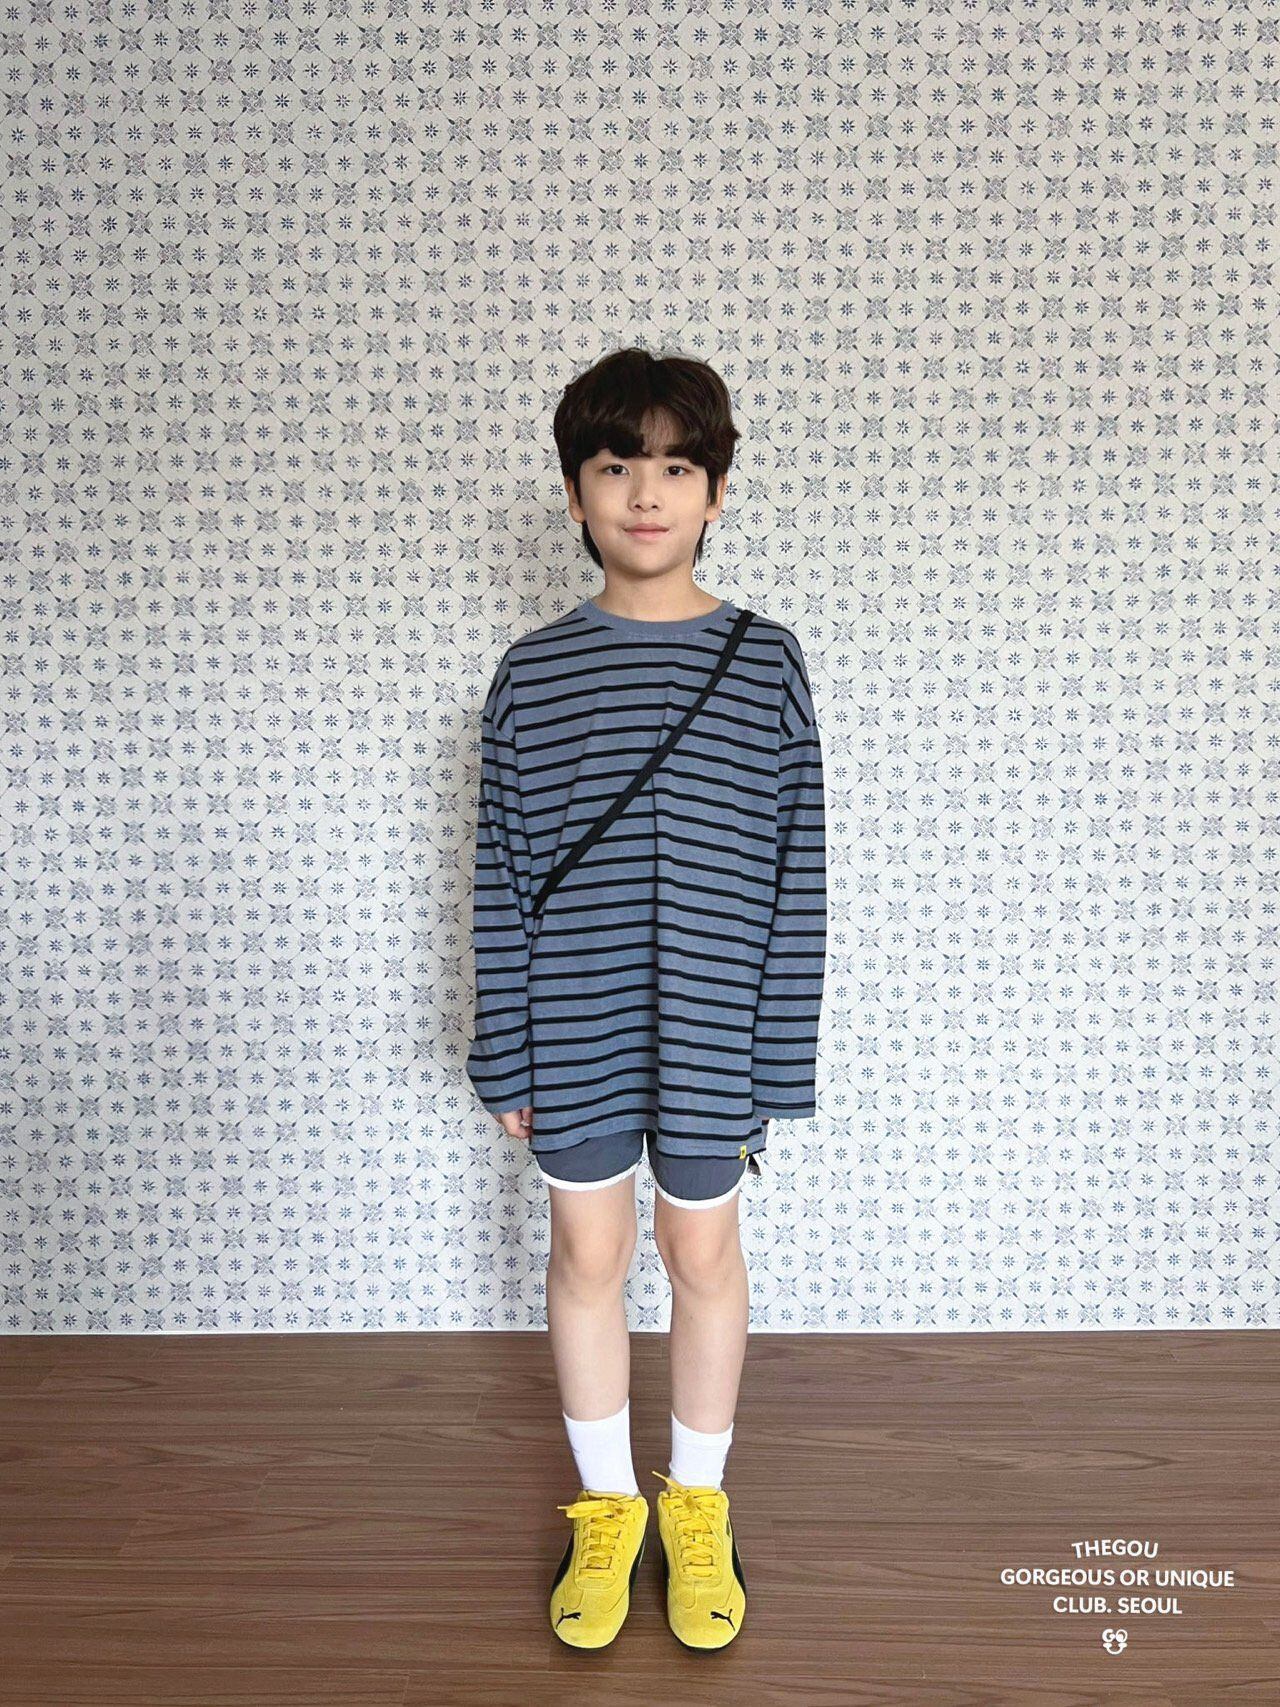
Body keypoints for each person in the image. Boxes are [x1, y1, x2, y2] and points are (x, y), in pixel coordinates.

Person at [465, 346, 827, 1650]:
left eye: (676, 466)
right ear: (576, 494)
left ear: (716, 492)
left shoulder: (767, 661)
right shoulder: (531, 674)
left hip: (715, 1027)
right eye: (616, 465)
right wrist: (506, 1054)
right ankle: (609, 1506)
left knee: (702, 1255)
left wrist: (777, 1062)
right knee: (587, 1256)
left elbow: (799, 873)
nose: (645, 492)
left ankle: (700, 1502)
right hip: (575, 1021)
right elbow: (503, 874)